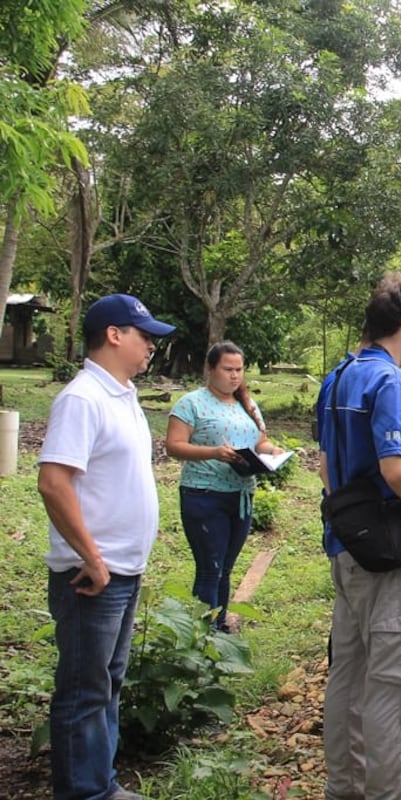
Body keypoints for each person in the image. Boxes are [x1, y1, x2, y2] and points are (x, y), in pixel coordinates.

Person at [37, 293, 176, 800]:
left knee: (107, 684)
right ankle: (83, 791)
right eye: (144, 337)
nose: (151, 348)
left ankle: (101, 783)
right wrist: (92, 558)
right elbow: (54, 483)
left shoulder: (123, 395)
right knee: (84, 689)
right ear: (114, 335)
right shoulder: (82, 398)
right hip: (91, 574)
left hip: (121, 569)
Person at [317, 273, 401, 800]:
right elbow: (397, 469)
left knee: (348, 675)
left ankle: (344, 789)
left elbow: (326, 464)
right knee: (396, 683)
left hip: (347, 546)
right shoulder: (392, 381)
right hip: (389, 552)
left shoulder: (340, 374)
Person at [165, 341, 285, 632]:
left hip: (241, 495)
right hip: (204, 495)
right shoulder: (191, 404)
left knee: (226, 568)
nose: (234, 376)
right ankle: (202, 633)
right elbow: (174, 446)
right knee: (210, 568)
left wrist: (273, 451)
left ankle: (219, 626)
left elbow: (259, 441)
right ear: (210, 369)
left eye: (239, 370)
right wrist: (214, 452)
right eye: (227, 369)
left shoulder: (248, 404)